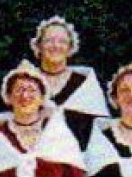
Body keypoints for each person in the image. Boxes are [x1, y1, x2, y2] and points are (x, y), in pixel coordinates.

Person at [28, 15, 108, 149]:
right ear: (38, 46)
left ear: (70, 48)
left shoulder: (85, 83)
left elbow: (99, 131)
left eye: (62, 41)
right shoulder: (27, 80)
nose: (55, 46)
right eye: (49, 40)